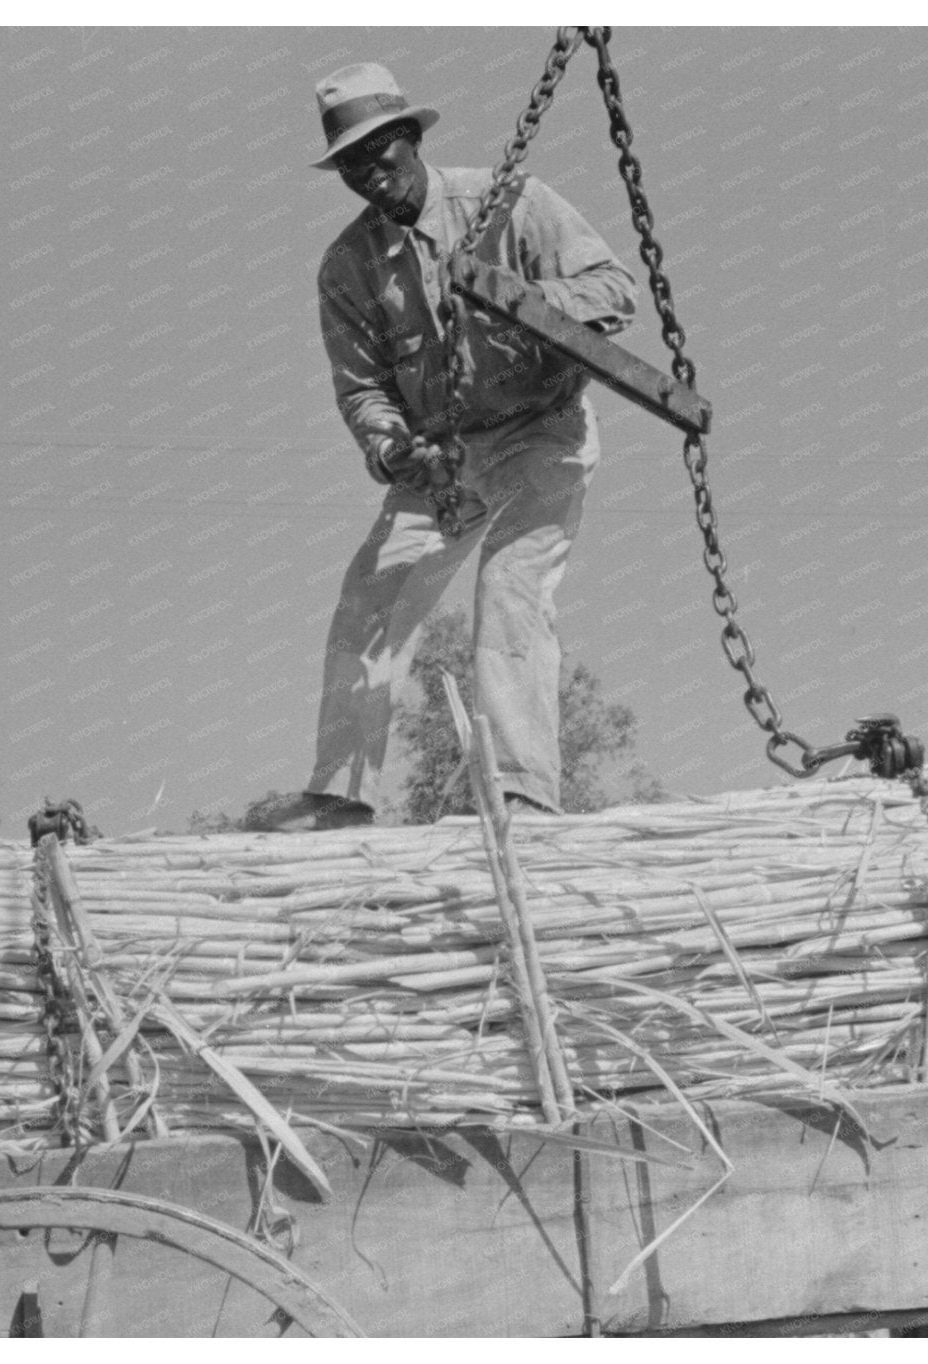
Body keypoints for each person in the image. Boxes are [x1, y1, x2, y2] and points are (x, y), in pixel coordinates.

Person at [251, 62, 639, 832]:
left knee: (510, 589)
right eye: (351, 166)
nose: (370, 175)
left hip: (541, 432)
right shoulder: (347, 268)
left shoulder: (513, 203)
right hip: (442, 456)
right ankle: (341, 797)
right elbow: (364, 391)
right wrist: (394, 449)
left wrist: (520, 302)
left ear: (410, 138)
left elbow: (615, 291)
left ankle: (524, 794)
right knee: (370, 598)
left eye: (380, 153)